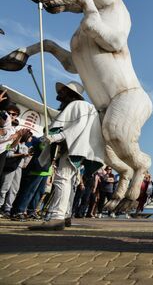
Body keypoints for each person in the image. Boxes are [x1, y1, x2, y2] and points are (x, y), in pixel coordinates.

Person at [29, 81, 105, 230]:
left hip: (74, 148)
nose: (59, 94)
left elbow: (77, 128)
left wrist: (55, 137)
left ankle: (57, 218)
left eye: (63, 91)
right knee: (69, 182)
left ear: (71, 94)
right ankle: (65, 215)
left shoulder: (77, 106)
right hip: (76, 148)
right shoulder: (82, 107)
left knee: (62, 180)